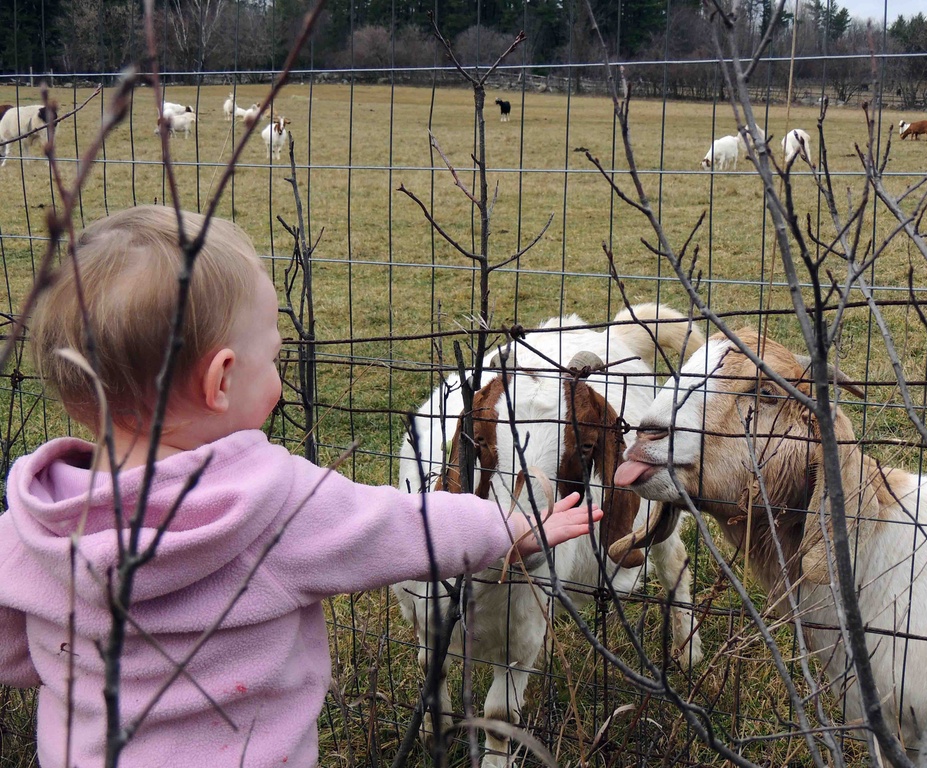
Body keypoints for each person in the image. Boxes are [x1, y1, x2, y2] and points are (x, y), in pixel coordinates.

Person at [0, 205, 602, 767]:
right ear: (222, 380)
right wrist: (512, 529)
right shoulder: (269, 503)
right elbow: (403, 527)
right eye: (274, 361)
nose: (281, 381)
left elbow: (13, 651)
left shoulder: (35, 523)